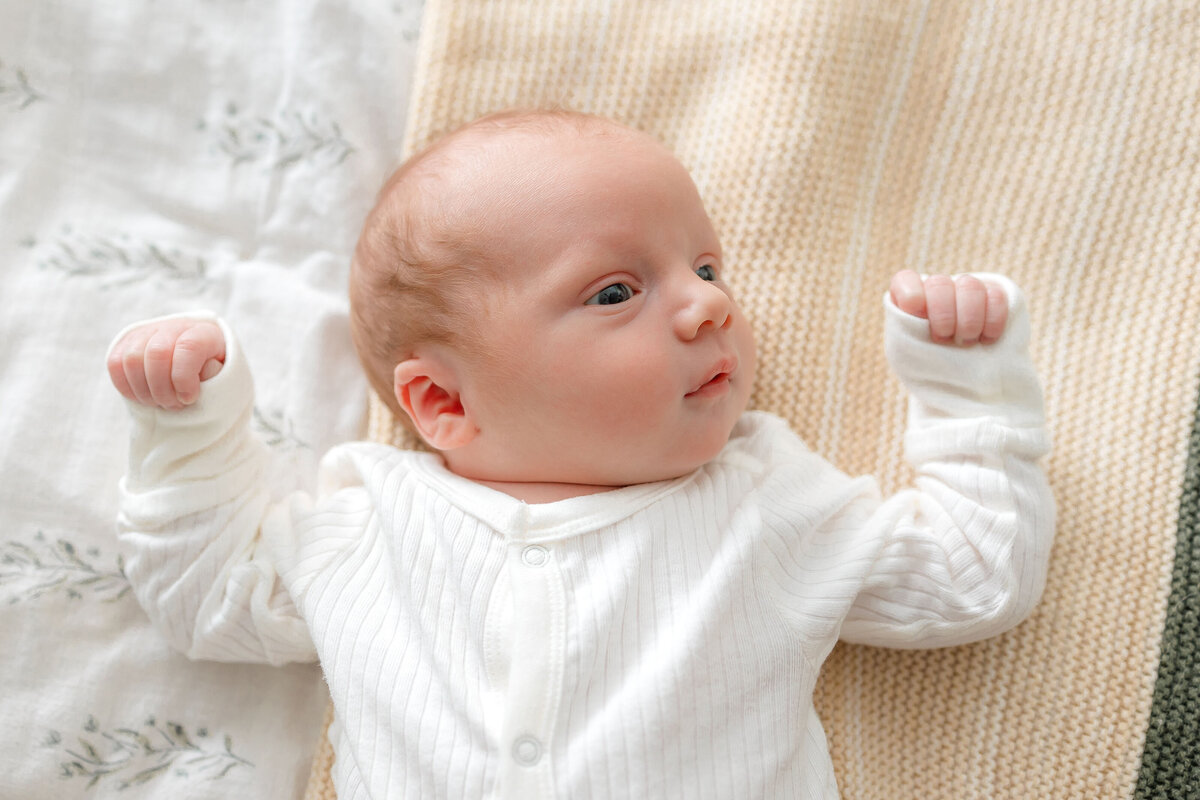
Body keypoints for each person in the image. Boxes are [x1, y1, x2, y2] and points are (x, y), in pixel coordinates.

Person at [106, 110, 1054, 800]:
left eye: (708, 267)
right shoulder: (369, 520)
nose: (708, 304)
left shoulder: (761, 502)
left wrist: (969, 390)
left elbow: (970, 578)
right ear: (441, 402)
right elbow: (209, 601)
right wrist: (189, 429)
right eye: (615, 292)